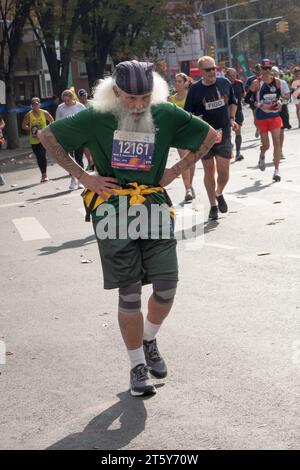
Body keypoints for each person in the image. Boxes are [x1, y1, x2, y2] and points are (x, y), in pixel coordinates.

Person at [39, 60, 217, 397]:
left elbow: (209, 136)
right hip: (112, 210)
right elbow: (47, 136)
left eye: (145, 98)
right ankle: (137, 366)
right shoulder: (96, 116)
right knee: (130, 291)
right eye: (130, 99)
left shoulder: (164, 113)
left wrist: (175, 170)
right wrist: (84, 177)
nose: (137, 106)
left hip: (153, 204)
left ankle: (148, 338)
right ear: (115, 92)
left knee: (166, 287)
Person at [184, 56, 238, 221]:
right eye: (208, 70)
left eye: (214, 68)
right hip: (204, 136)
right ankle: (213, 205)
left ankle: (219, 192)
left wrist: (232, 119)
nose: (212, 72)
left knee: (224, 172)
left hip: (224, 134)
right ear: (201, 72)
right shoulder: (195, 90)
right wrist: (196, 119)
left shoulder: (224, 83)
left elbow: (233, 102)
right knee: (209, 170)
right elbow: (188, 113)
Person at [250, 59, 282, 182]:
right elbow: (248, 99)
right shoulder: (256, 83)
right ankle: (262, 154)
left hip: (274, 115)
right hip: (262, 116)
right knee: (266, 145)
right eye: (265, 68)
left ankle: (276, 170)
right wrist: (260, 105)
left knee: (277, 142)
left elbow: (279, 96)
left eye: (269, 68)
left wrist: (279, 102)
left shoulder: (277, 82)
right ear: (261, 69)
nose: (267, 71)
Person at [169, 73, 195, 201]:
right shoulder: (171, 99)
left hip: (193, 132)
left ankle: (190, 184)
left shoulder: (192, 96)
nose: (177, 83)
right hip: (179, 134)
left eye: (179, 81)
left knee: (192, 161)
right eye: (175, 81)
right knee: (185, 160)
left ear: (186, 83)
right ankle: (188, 189)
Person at [55, 89, 86, 190]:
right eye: (64, 101)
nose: (66, 103)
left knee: (79, 158)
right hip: (66, 137)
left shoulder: (80, 107)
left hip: (78, 136)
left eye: (68, 100)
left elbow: (86, 120)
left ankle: (81, 180)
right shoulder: (60, 108)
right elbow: (57, 123)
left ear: (72, 98)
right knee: (69, 159)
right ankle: (73, 179)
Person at [22, 97, 54, 182]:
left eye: (36, 104)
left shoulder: (45, 113)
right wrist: (32, 129)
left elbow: (52, 121)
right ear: (31, 106)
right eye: (33, 104)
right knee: (39, 157)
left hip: (43, 138)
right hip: (33, 139)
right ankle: (43, 173)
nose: (35, 106)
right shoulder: (28, 115)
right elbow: (23, 126)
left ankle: (44, 175)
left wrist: (46, 130)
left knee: (42, 155)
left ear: (39, 104)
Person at [226, 68, 245, 161]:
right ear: (227, 76)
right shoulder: (224, 84)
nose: (233, 77)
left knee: (238, 130)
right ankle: (229, 148)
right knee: (227, 132)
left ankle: (238, 152)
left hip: (238, 111)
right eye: (231, 75)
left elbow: (243, 94)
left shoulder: (239, 83)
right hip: (226, 112)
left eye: (234, 75)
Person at [272, 66, 291, 159]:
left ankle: (280, 151)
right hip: (272, 109)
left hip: (282, 108)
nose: (274, 74)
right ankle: (276, 151)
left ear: (278, 73)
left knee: (281, 131)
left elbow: (287, 96)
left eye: (275, 72)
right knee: (275, 132)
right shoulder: (267, 84)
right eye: (272, 72)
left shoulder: (283, 83)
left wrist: (280, 96)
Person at [77, 88, 94, 170]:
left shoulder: (92, 104)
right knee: (85, 146)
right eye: (81, 96)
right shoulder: (78, 105)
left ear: (86, 95)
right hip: (83, 128)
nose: (83, 98)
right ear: (79, 97)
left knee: (94, 146)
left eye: (84, 96)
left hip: (92, 126)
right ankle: (90, 162)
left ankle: (96, 162)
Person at [245, 64, 262, 138]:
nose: (258, 73)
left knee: (263, 118)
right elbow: (246, 89)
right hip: (254, 101)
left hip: (264, 101)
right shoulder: (250, 79)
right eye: (257, 71)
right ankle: (258, 128)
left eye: (259, 71)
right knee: (256, 119)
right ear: (254, 71)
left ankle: (262, 134)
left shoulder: (265, 78)